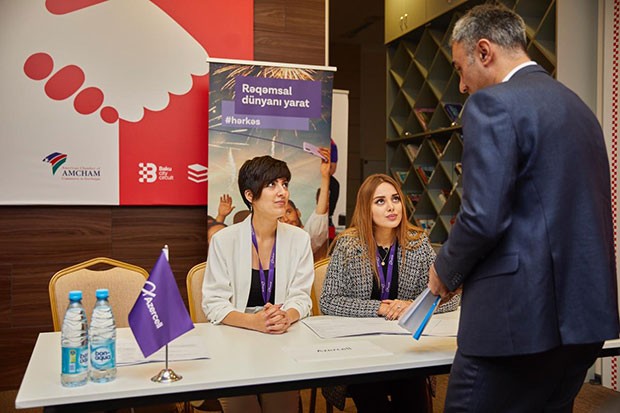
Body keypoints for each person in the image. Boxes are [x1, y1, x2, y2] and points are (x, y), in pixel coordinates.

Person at [427, 4, 620, 412]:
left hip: (515, 324)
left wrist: (445, 269)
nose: (461, 85)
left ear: (484, 51)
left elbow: (482, 218)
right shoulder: (580, 110)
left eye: (460, 69)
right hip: (581, 320)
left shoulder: (492, 105)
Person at [320, 173, 459, 413]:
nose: (391, 207)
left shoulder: (418, 243)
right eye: (380, 201)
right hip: (359, 350)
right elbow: (329, 301)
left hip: (405, 346)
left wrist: (412, 305)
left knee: (413, 386)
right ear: (366, 208)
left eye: (395, 199)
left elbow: (449, 296)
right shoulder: (348, 245)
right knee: (369, 386)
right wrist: (380, 308)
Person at [202, 155, 314, 413]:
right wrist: (254, 322)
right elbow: (214, 303)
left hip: (282, 338)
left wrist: (286, 316)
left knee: (282, 405)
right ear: (250, 195)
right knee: (243, 405)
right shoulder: (224, 240)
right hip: (235, 340)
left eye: (284, 184)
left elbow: (301, 297)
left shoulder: (299, 239)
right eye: (272, 185)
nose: (282, 192)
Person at [280, 146, 330, 259]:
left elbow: (320, 213)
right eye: (280, 218)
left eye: (288, 212)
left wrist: (325, 176)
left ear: (298, 212)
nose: (286, 219)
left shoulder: (307, 236)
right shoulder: (277, 242)